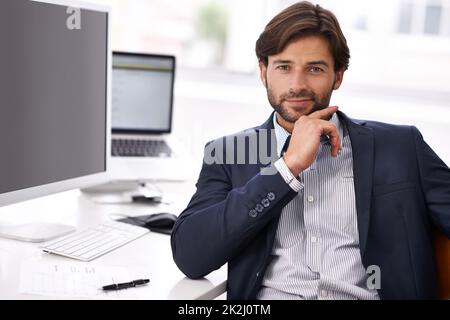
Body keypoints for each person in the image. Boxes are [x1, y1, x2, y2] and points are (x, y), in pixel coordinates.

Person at [170, 1, 450, 300]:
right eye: (283, 67)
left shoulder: (400, 146)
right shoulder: (228, 153)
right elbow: (191, 256)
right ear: (264, 72)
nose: (297, 84)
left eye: (315, 68)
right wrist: (286, 168)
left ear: (338, 75)